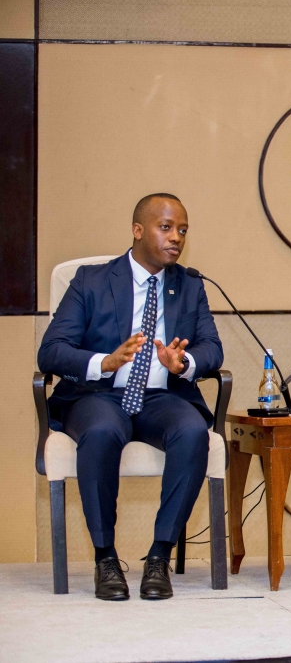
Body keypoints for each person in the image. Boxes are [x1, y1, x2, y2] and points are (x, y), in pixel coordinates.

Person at [38, 193, 224, 600]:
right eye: (166, 227)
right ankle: (105, 558)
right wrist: (104, 361)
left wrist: (185, 363)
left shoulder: (190, 286)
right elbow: (51, 350)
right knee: (103, 431)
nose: (176, 238)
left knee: (193, 432)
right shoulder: (91, 280)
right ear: (138, 231)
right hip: (97, 395)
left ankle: (159, 557)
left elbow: (213, 349)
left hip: (162, 396)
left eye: (183, 231)